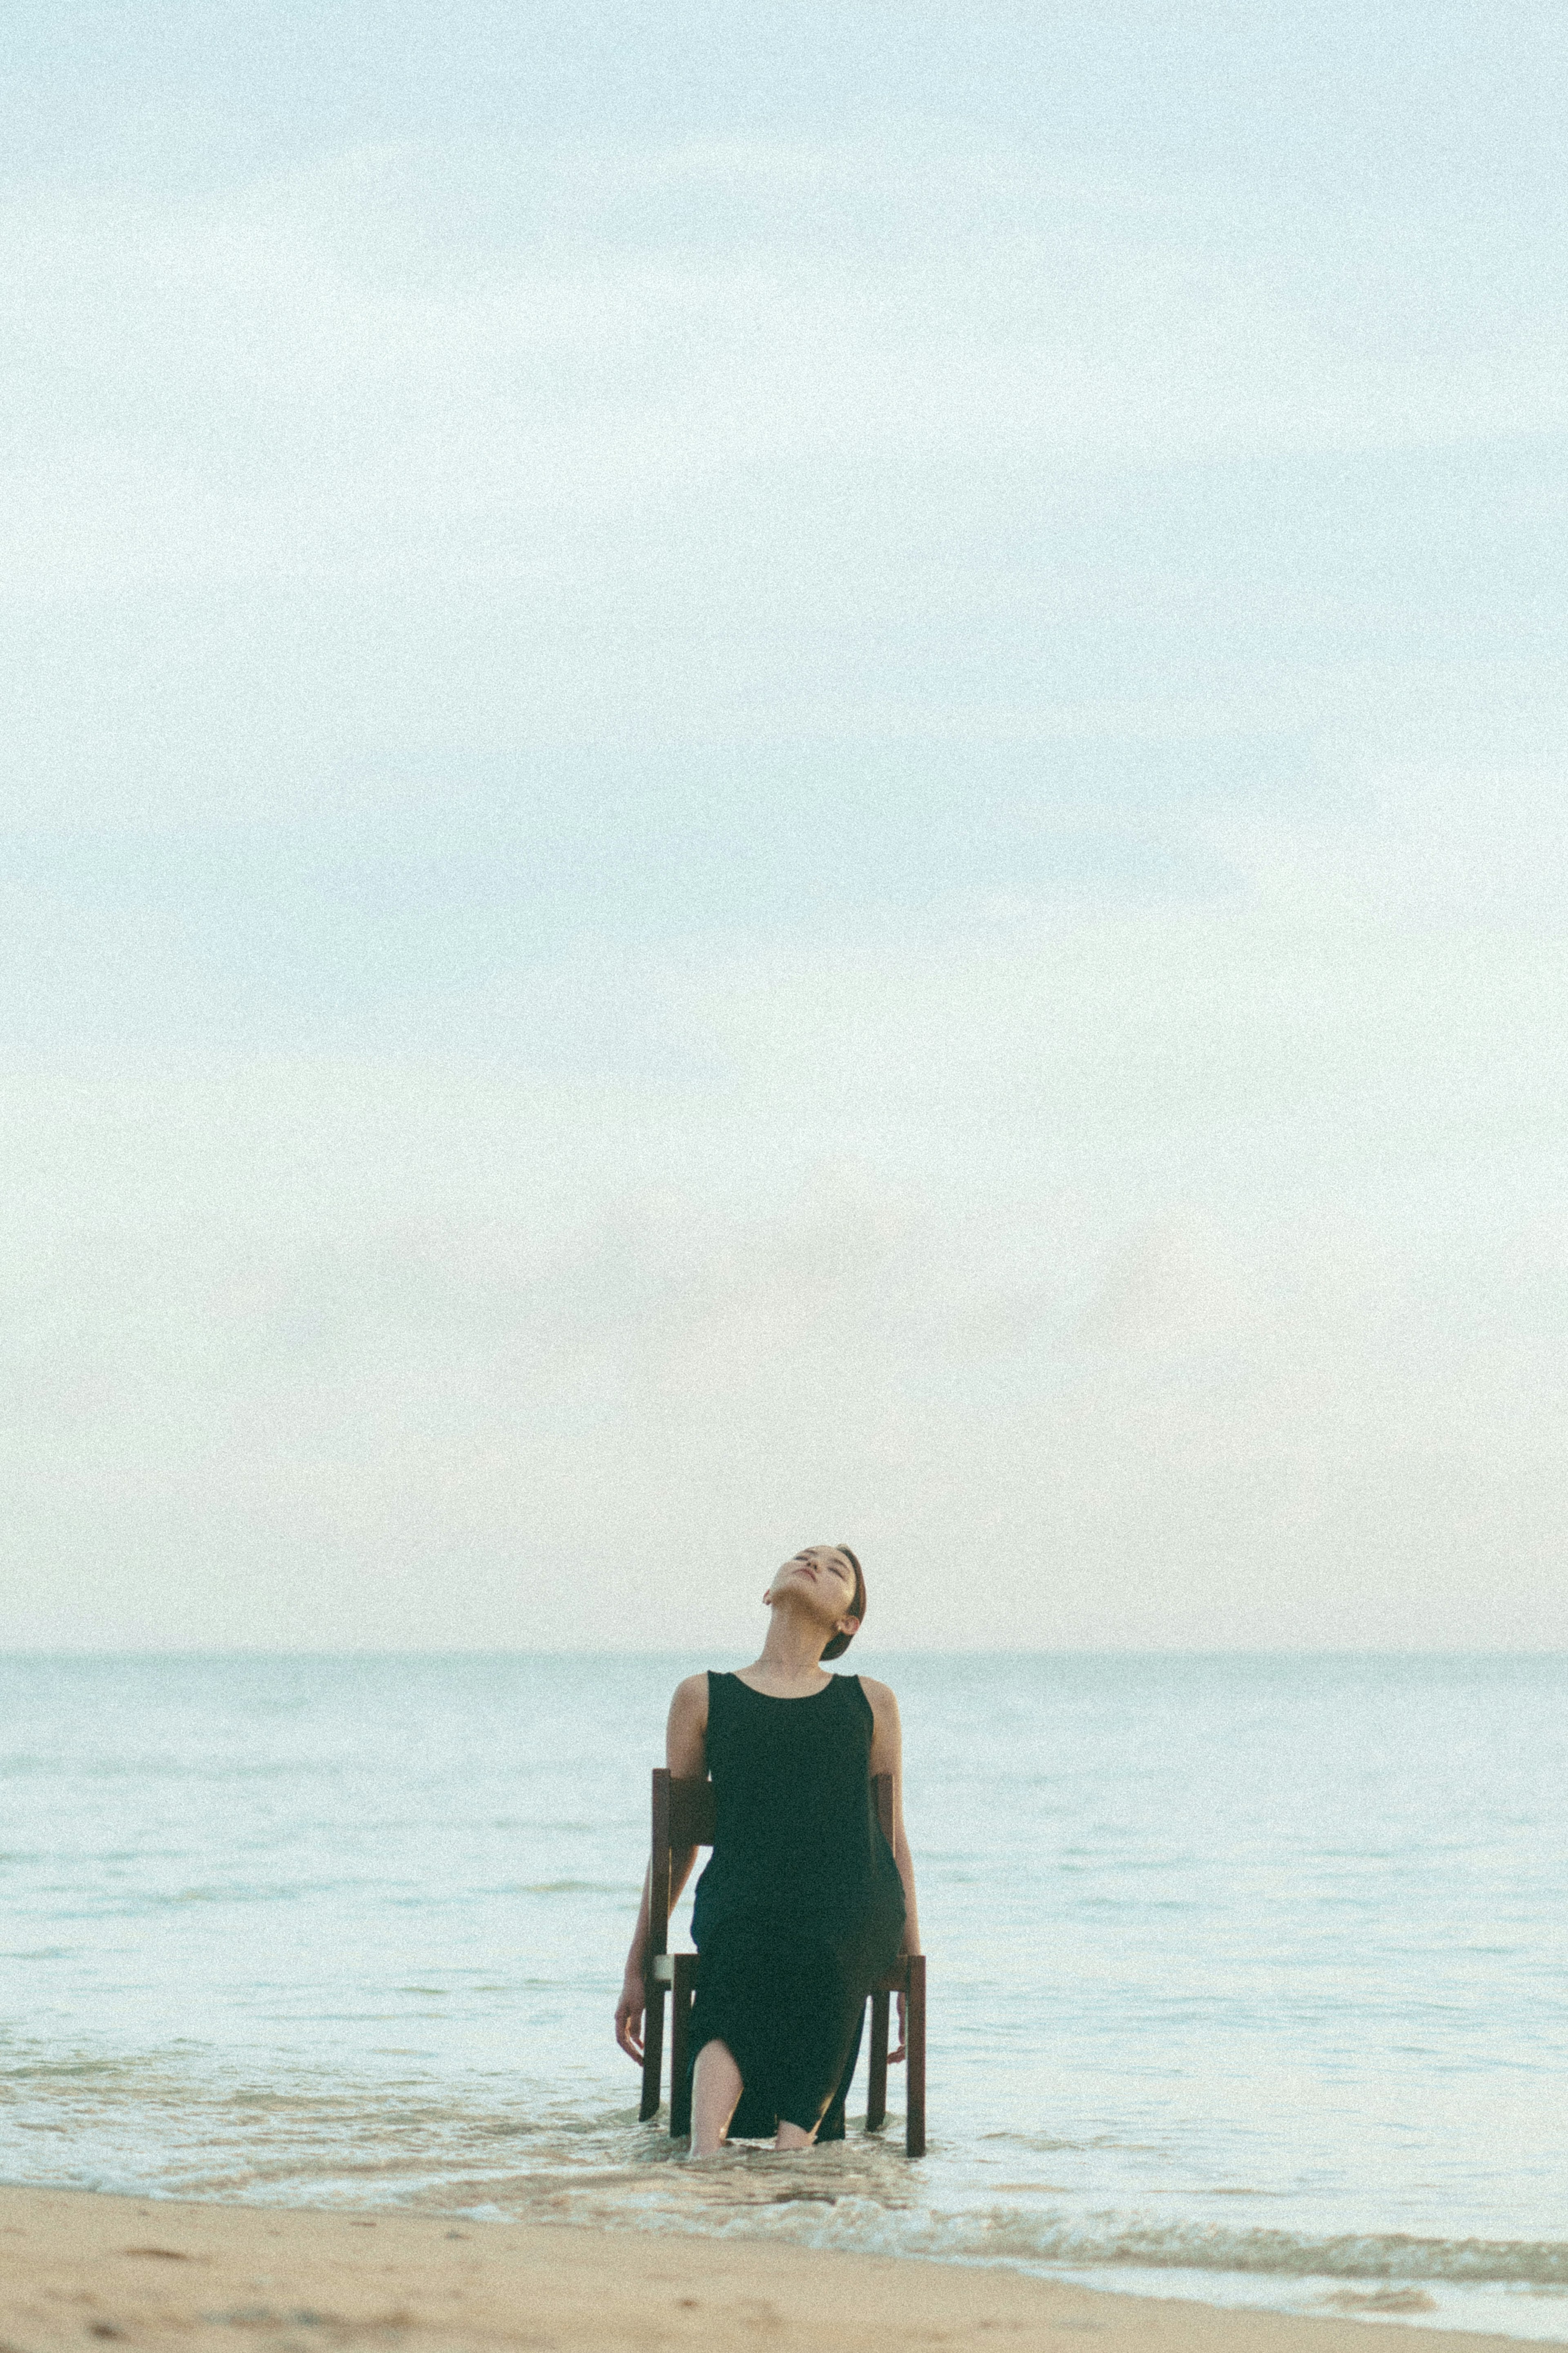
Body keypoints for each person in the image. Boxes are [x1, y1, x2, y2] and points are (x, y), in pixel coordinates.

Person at [615, 1544, 921, 2156]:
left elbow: (893, 1839)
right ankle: (706, 2153)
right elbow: (677, 1846)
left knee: (840, 1929)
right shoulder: (702, 1695)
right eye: (803, 1556)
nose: (813, 1562)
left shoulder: (871, 1701)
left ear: (848, 1623)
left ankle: (793, 2145)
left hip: (851, 1899)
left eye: (837, 1569)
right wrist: (636, 1964)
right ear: (768, 1591)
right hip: (748, 1899)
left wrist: (911, 1963)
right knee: (738, 1933)